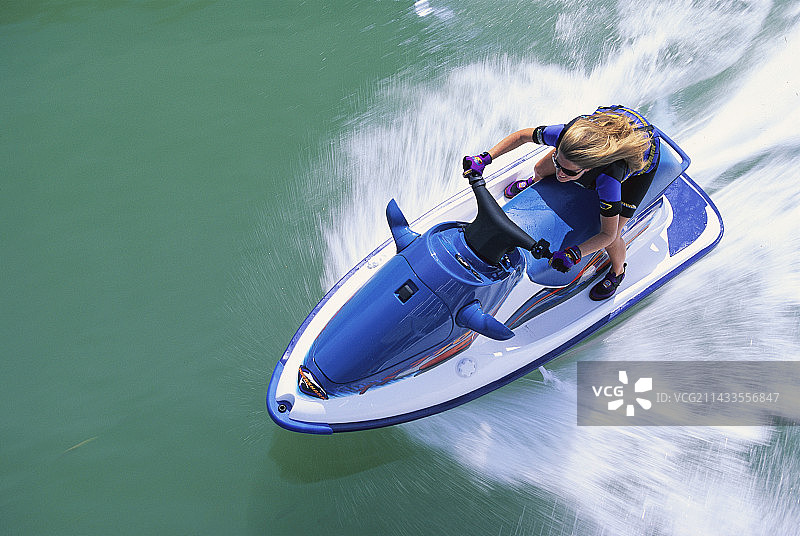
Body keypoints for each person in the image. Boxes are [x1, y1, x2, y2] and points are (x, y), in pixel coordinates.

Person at [462, 105, 660, 301]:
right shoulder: (565, 135)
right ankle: (536, 180)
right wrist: (485, 158)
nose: (559, 174)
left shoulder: (609, 179)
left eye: (569, 172)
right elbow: (523, 136)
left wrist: (575, 253)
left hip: (642, 152)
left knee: (616, 234)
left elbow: (606, 235)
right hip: (610, 124)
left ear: (589, 168)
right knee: (540, 168)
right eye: (558, 163)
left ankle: (618, 271)